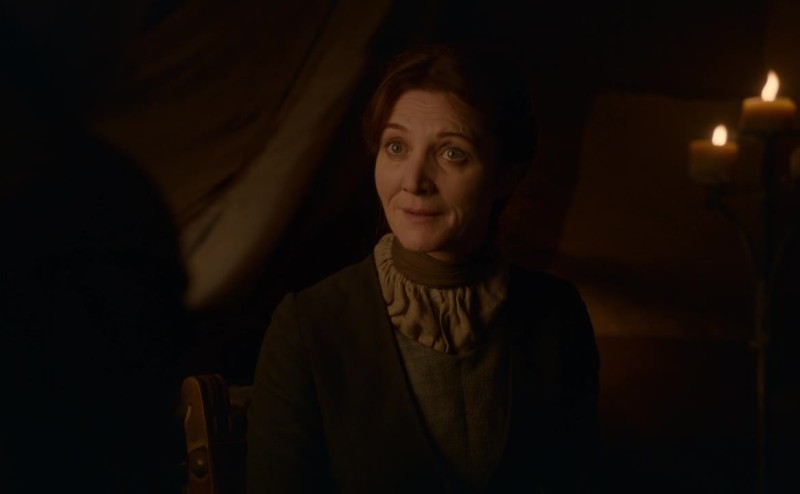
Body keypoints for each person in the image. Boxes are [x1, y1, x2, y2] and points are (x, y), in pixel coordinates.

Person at [247, 43, 600, 493]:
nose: (413, 181)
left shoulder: (558, 316)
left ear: (506, 175)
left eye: (452, 153)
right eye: (396, 147)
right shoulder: (308, 325)